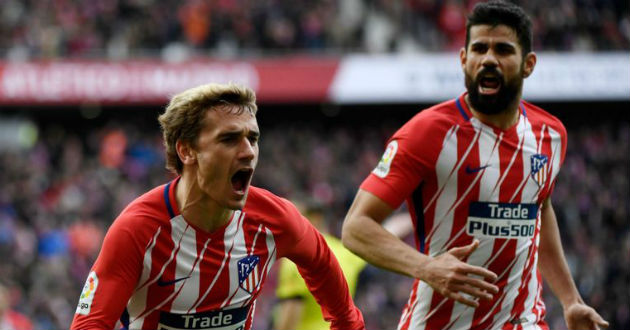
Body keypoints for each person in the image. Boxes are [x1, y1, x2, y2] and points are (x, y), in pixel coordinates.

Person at [341, 1, 609, 330]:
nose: (489, 60)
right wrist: (426, 267)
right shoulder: (428, 133)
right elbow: (355, 227)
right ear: (464, 59)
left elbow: (539, 207)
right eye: (479, 48)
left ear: (528, 64)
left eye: (503, 50)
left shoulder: (550, 135)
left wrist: (571, 301)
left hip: (523, 322)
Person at [70, 83, 365, 330]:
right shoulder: (138, 230)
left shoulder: (275, 219)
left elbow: (335, 292)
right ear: (186, 150)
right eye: (229, 139)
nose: (248, 152)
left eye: (253, 138)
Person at [273, 203, 412, 330]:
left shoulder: (295, 259)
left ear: (314, 219)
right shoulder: (343, 253)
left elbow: (288, 320)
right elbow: (389, 231)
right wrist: (412, 218)